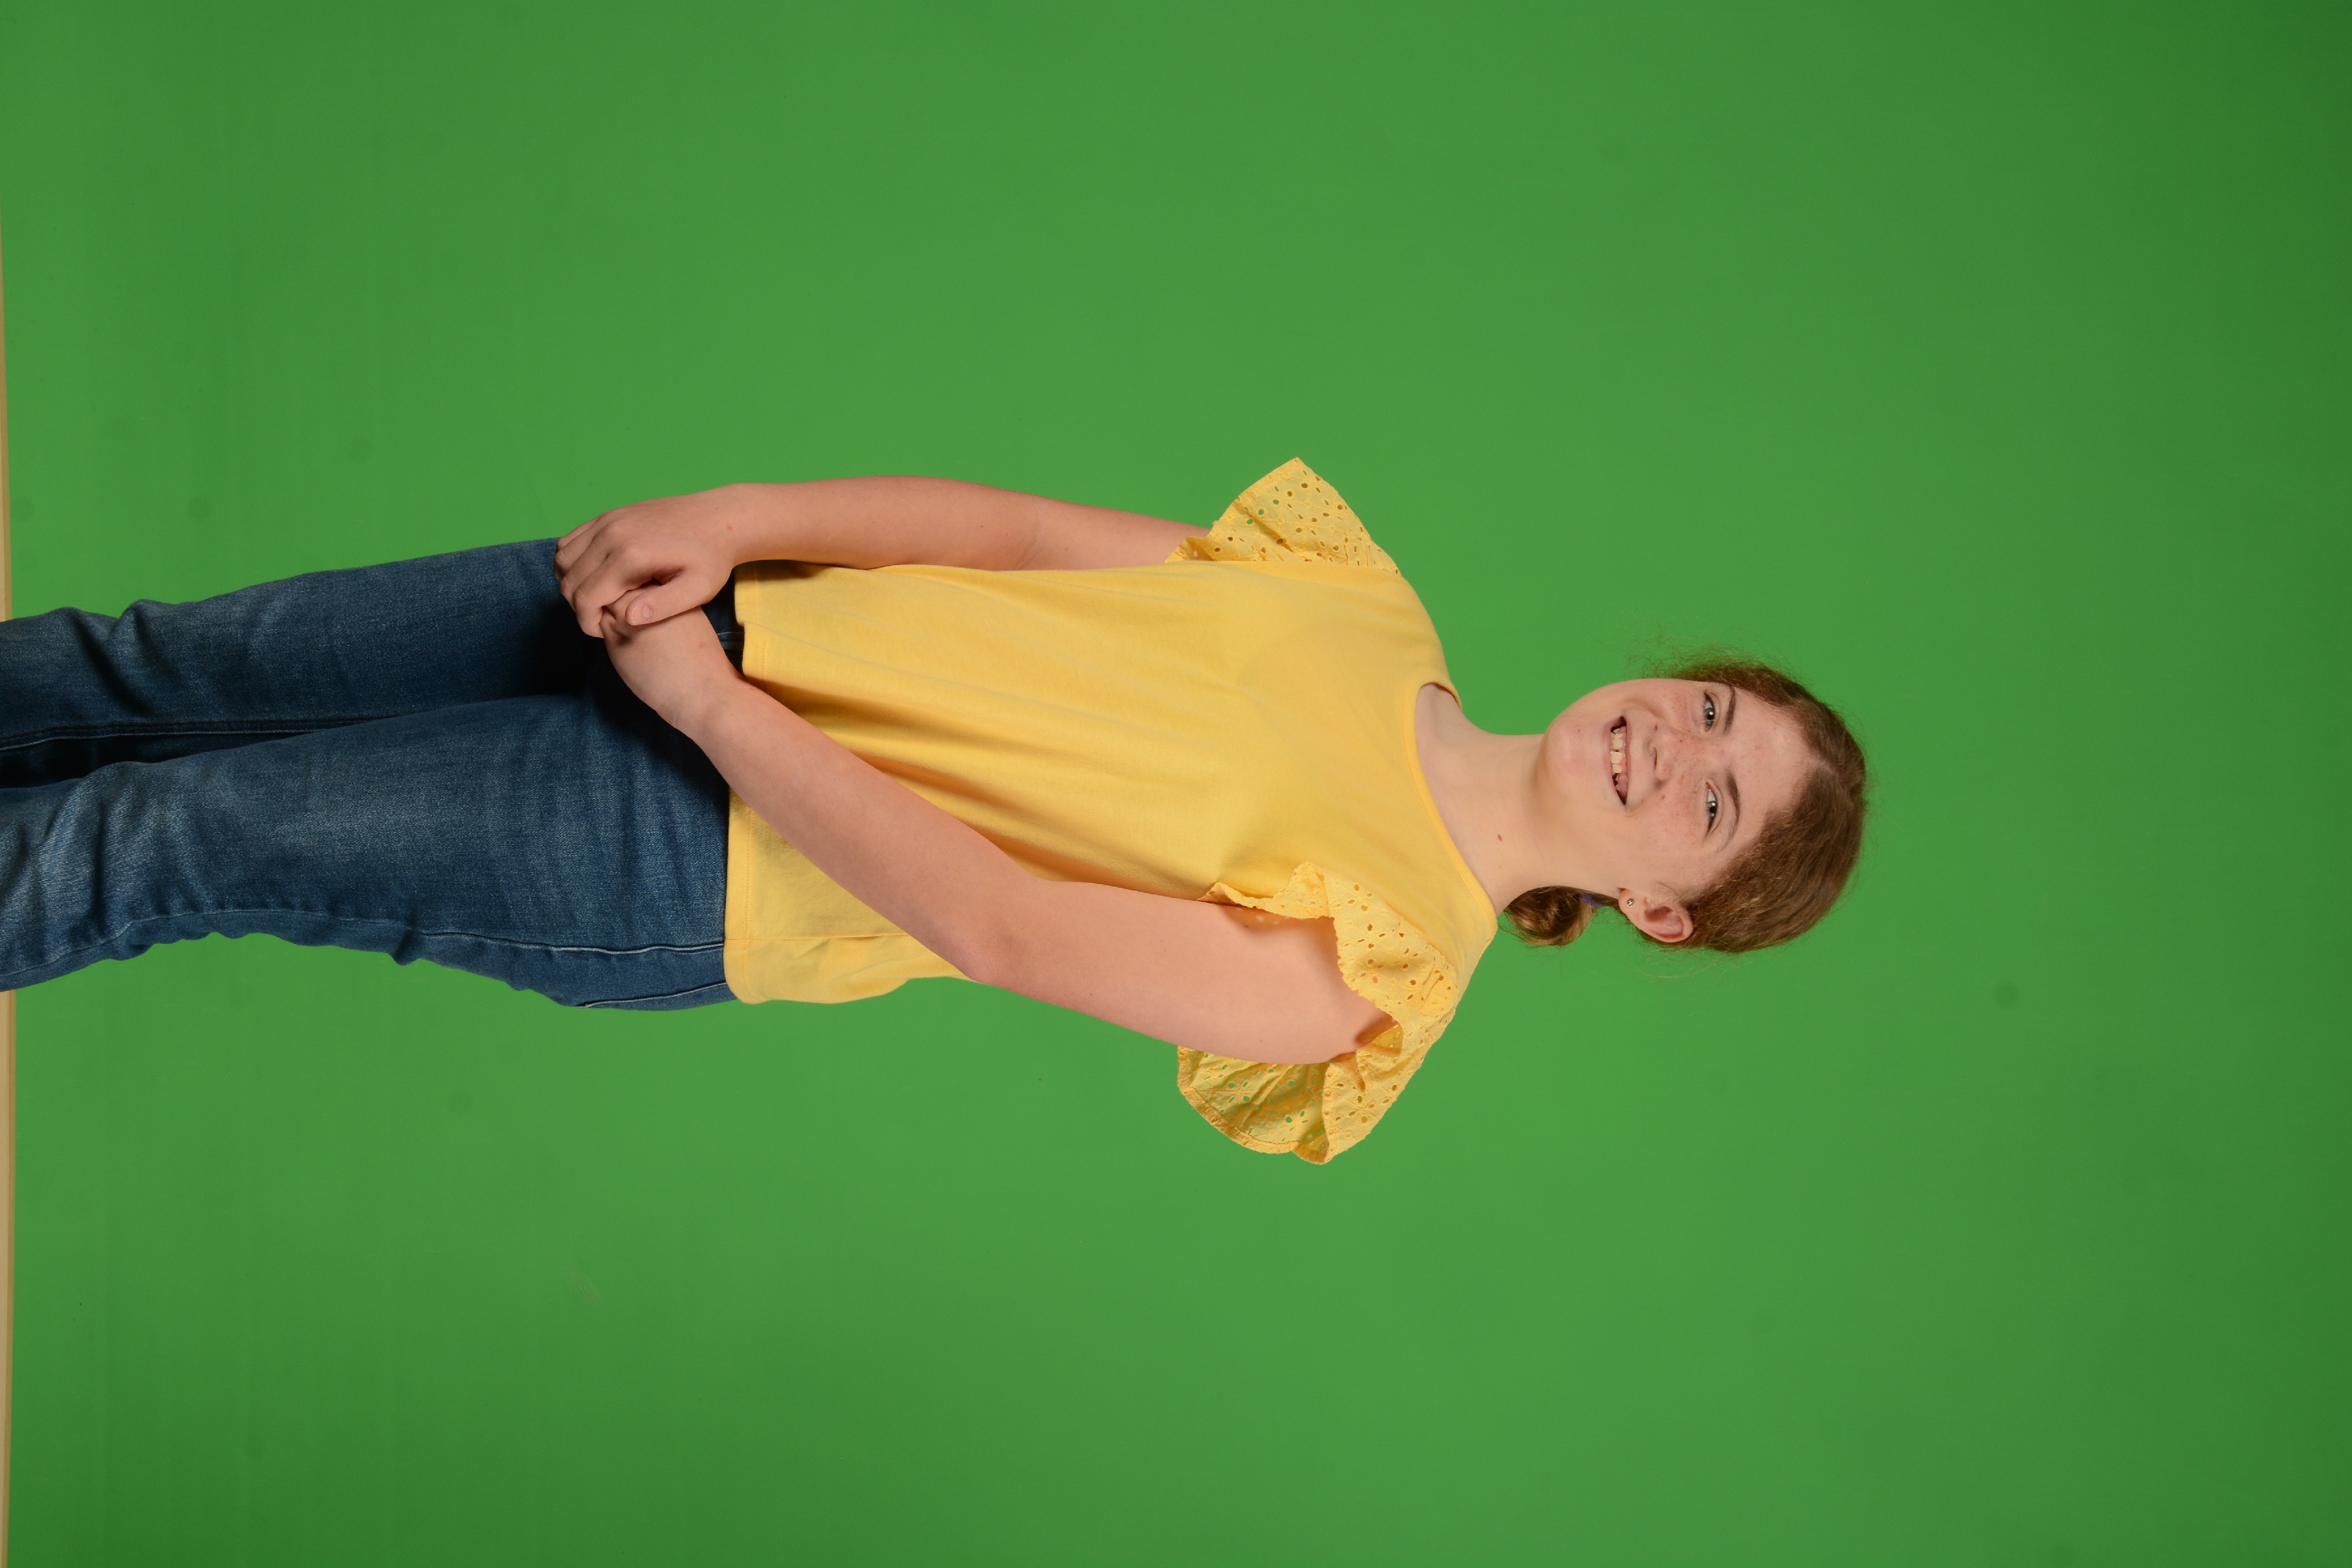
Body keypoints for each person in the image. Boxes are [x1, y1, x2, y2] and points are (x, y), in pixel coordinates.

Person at [0, 461, 1866, 1160]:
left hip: (692, 839)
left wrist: (711, 712)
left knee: (151, 842)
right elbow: (1018, 534)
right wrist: (737, 521)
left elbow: (999, 926)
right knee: (143, 669)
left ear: (1663, 910)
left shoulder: (1377, 979)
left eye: (1708, 803)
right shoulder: (1363, 599)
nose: (1666, 747)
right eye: (1708, 711)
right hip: (703, 614)